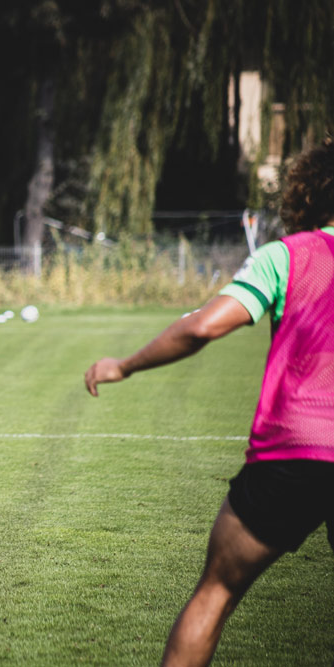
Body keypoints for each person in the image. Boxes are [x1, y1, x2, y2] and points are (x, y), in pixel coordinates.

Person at [84, 139, 334, 665]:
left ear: (307, 192)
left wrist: (124, 365)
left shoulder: (289, 255)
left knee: (217, 591)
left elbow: (202, 326)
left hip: (296, 450)